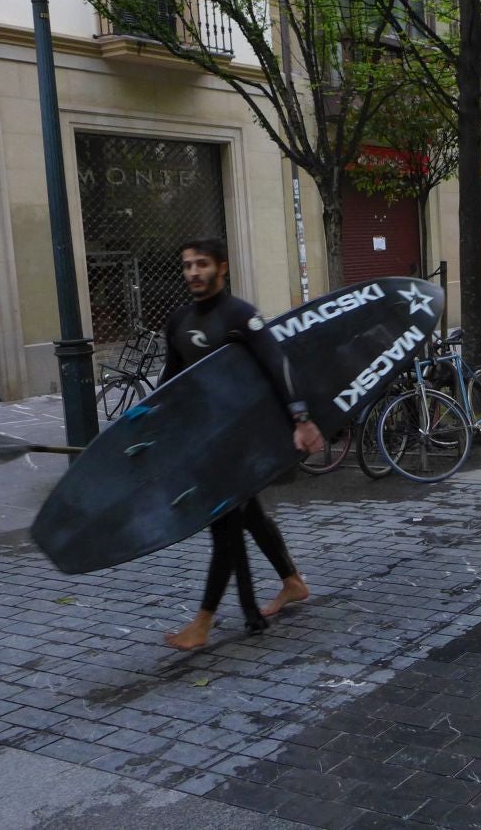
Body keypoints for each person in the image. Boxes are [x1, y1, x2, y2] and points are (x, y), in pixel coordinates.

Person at [160, 238, 322, 651]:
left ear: (222, 267)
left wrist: (301, 420)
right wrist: (151, 430)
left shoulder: (241, 316)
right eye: (187, 265)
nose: (193, 272)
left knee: (225, 525)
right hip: (207, 441)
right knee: (247, 518)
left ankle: (203, 621)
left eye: (202, 264)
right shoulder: (178, 321)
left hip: (246, 440)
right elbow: (171, 385)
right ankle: (291, 582)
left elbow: (277, 363)